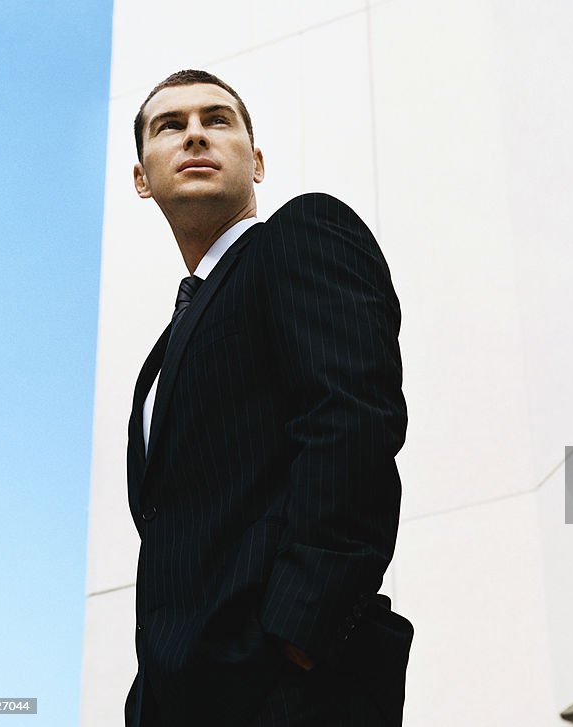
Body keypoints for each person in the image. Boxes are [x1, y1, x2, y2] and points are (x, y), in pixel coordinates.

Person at [122, 69, 412, 726]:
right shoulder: (160, 359)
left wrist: (299, 634)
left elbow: (352, 422)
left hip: (289, 687)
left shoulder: (301, 234)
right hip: (181, 697)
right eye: (170, 125)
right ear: (143, 177)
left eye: (217, 119)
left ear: (255, 161)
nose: (195, 132)